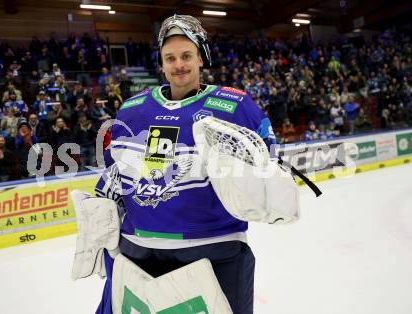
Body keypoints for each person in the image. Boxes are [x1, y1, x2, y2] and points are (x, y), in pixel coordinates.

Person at [89, 15, 299, 314]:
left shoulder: (235, 107)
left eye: (186, 55)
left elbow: (270, 165)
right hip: (138, 249)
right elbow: (115, 175)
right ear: (161, 64)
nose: (179, 65)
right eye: (170, 58)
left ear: (201, 58)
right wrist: (101, 218)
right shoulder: (131, 110)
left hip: (212, 249)